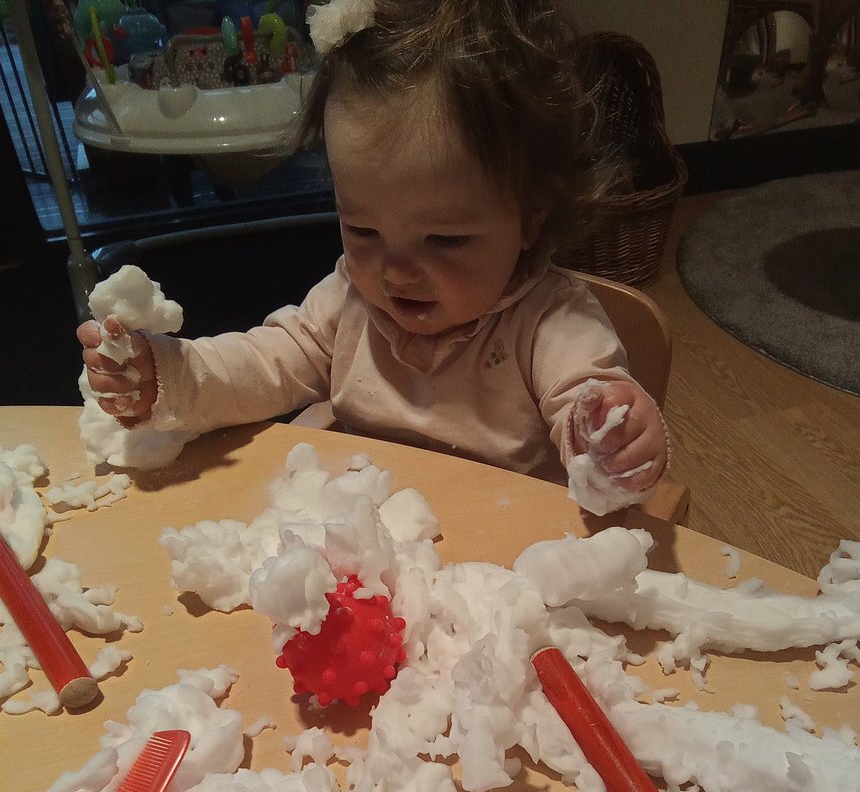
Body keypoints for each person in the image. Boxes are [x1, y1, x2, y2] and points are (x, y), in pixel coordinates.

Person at [78, 0, 670, 497]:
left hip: (500, 566)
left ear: (530, 219)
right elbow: (265, 362)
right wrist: (172, 375)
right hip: (368, 548)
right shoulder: (350, 303)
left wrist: (608, 438)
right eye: (362, 230)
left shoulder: (549, 323)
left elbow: (583, 402)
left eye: (446, 239)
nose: (397, 272)